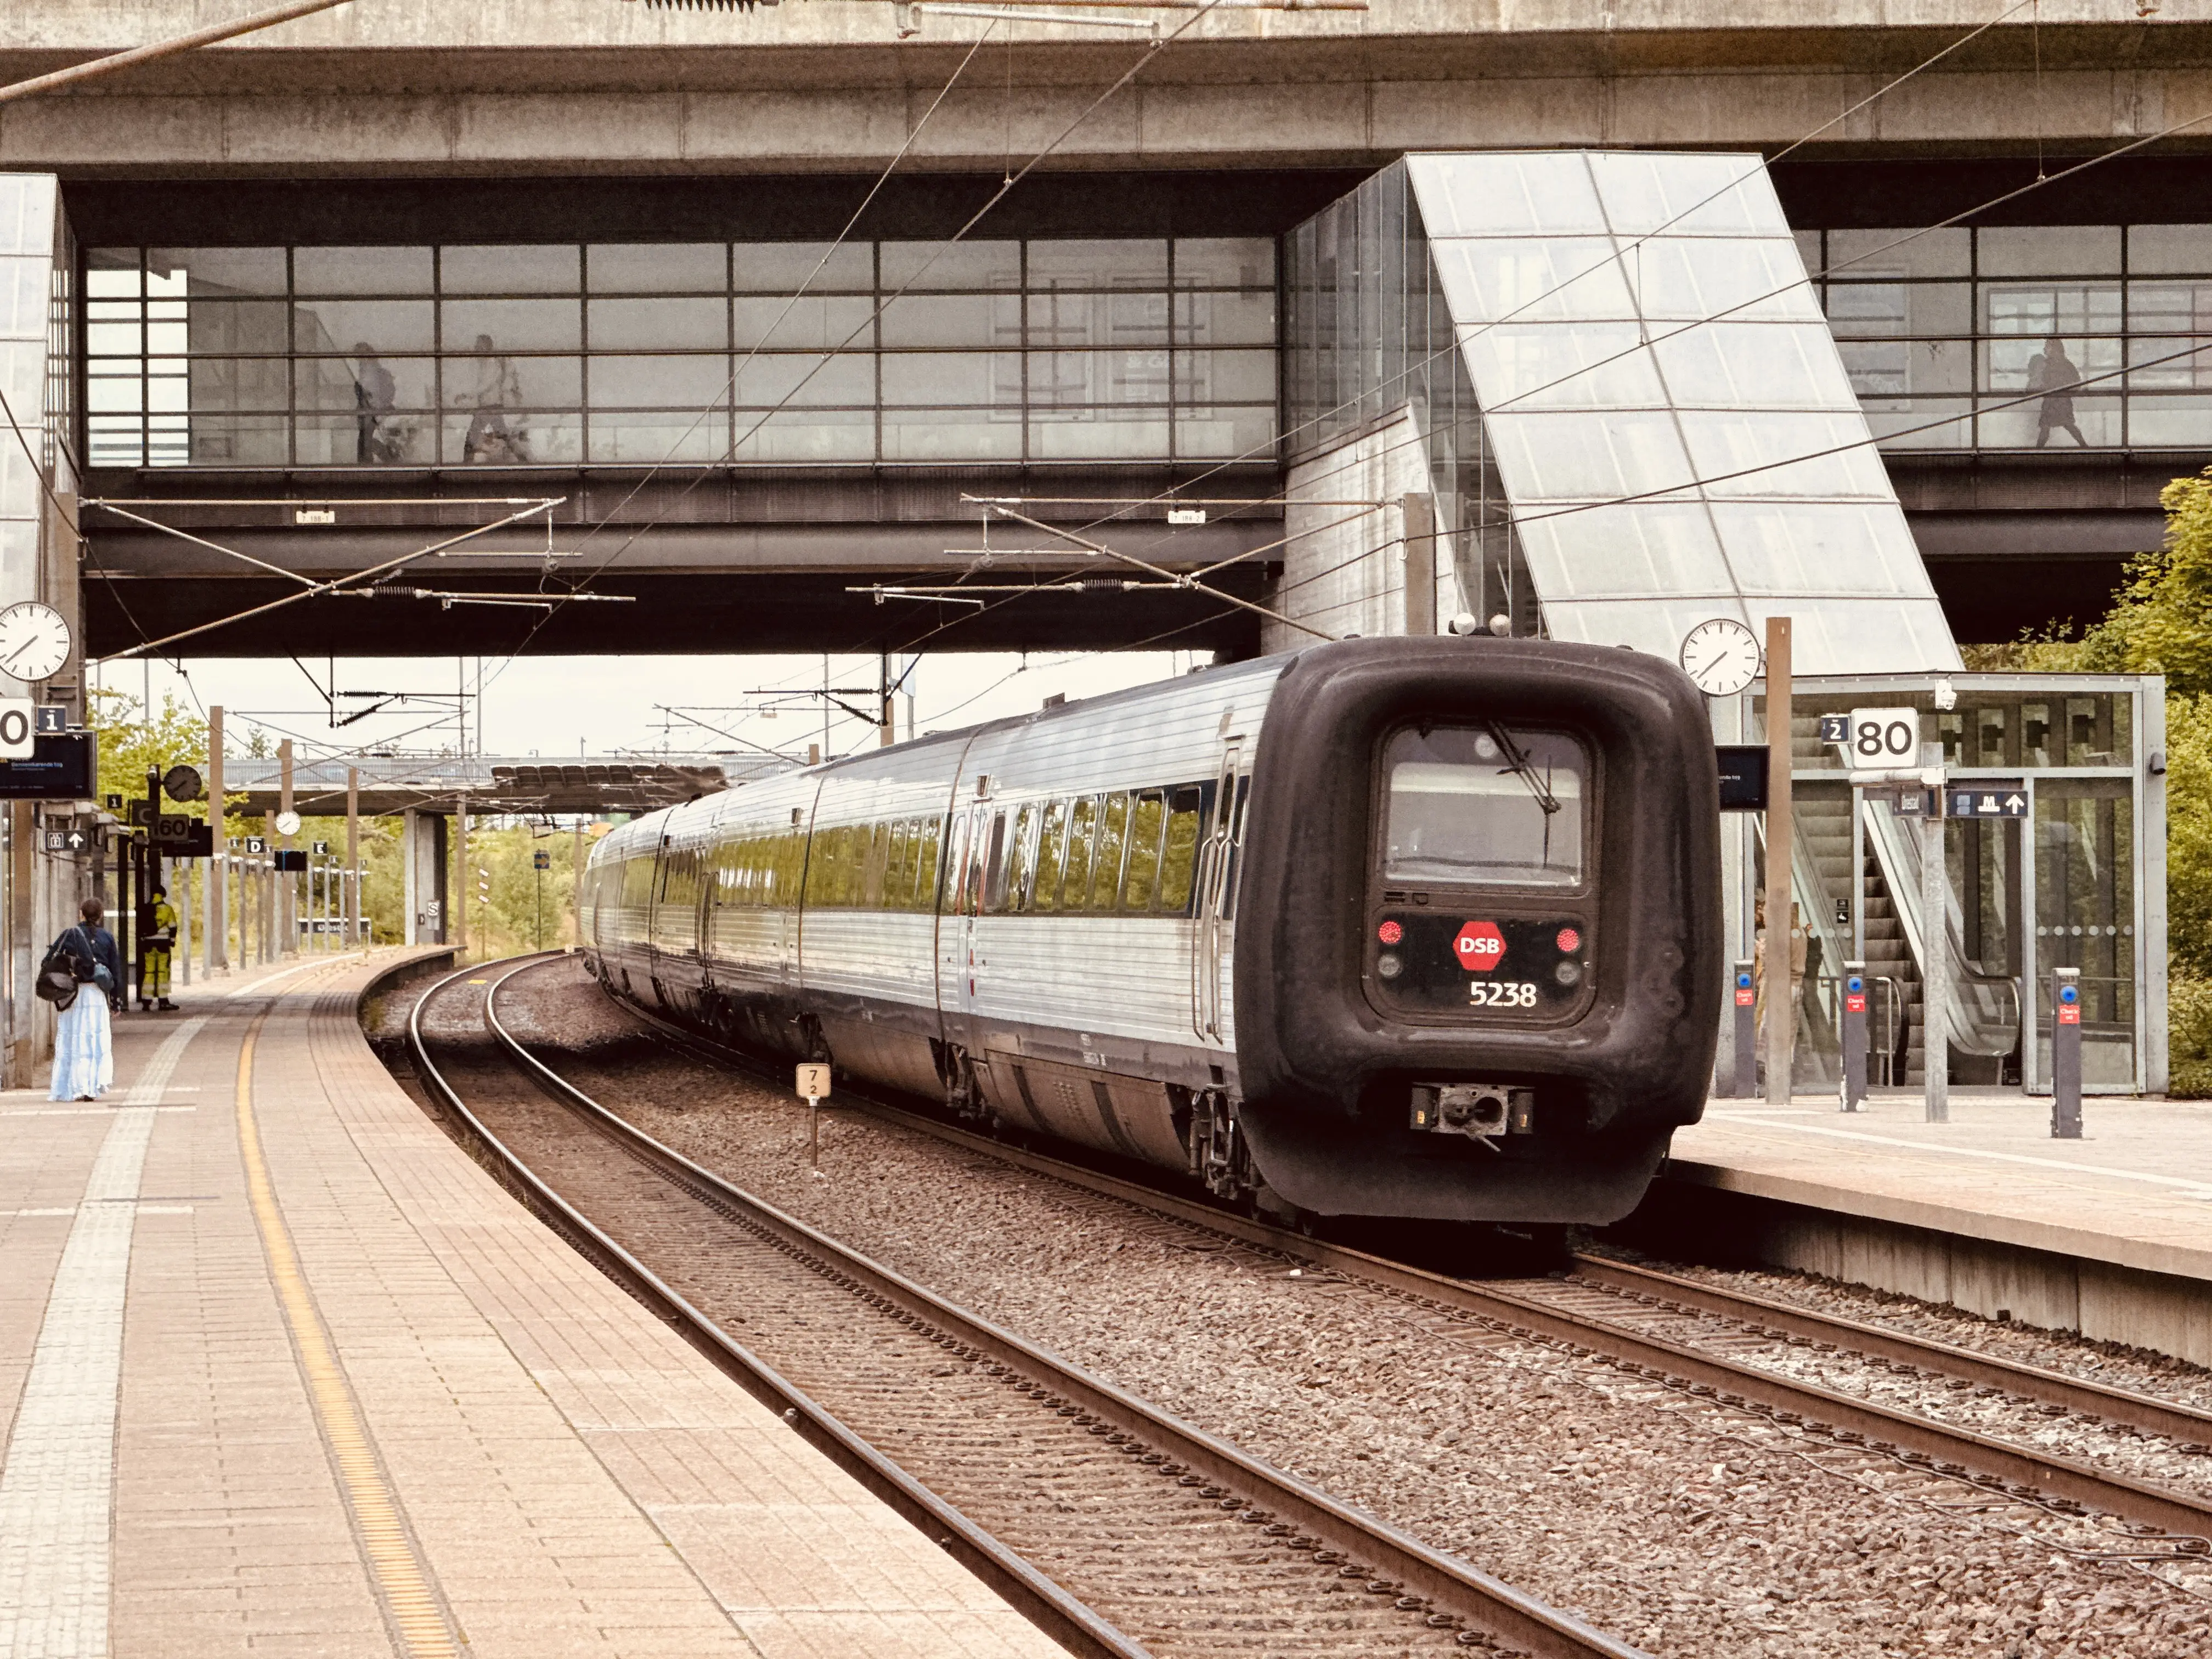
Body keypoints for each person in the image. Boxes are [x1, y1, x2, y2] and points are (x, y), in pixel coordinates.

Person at [48, 899, 120, 1103]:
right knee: (94, 1040)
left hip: (73, 994)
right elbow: (115, 971)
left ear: (81, 913)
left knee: (74, 1039)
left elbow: (52, 961)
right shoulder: (107, 938)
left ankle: (74, 1086)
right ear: (101, 915)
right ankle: (92, 1085)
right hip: (96, 995)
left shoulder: (69, 936)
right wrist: (116, 1002)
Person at [461, 334, 526, 463]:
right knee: (504, 436)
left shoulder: (492, 364)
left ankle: (465, 464)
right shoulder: (486, 364)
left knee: (473, 437)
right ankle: (523, 459)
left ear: (487, 347)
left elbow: (486, 385)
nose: (476, 349)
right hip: (488, 407)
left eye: (479, 346)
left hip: (490, 407)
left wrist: (467, 395)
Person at [2027, 336, 2087, 447]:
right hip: (2052, 401)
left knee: (2064, 425)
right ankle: (2084, 446)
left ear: (2054, 348)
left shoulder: (2065, 365)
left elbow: (2076, 382)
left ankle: (2084, 446)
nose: (2045, 349)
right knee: (2048, 427)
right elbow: (2041, 380)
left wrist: (2063, 388)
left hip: (2060, 401)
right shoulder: (2047, 364)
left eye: (2047, 346)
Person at [352, 343, 397, 464]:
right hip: (371, 411)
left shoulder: (370, 370)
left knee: (366, 442)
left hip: (371, 411)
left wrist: (375, 411)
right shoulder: (370, 368)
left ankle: (379, 462)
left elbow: (372, 393)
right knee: (366, 441)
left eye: (359, 357)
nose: (359, 361)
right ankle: (387, 460)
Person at [138, 883, 178, 1013]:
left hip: (148, 945)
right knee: (162, 971)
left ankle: (146, 1001)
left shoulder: (146, 909)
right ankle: (163, 1001)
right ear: (163, 895)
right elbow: (173, 927)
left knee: (149, 971)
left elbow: (141, 928)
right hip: (163, 945)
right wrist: (172, 941)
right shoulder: (167, 909)